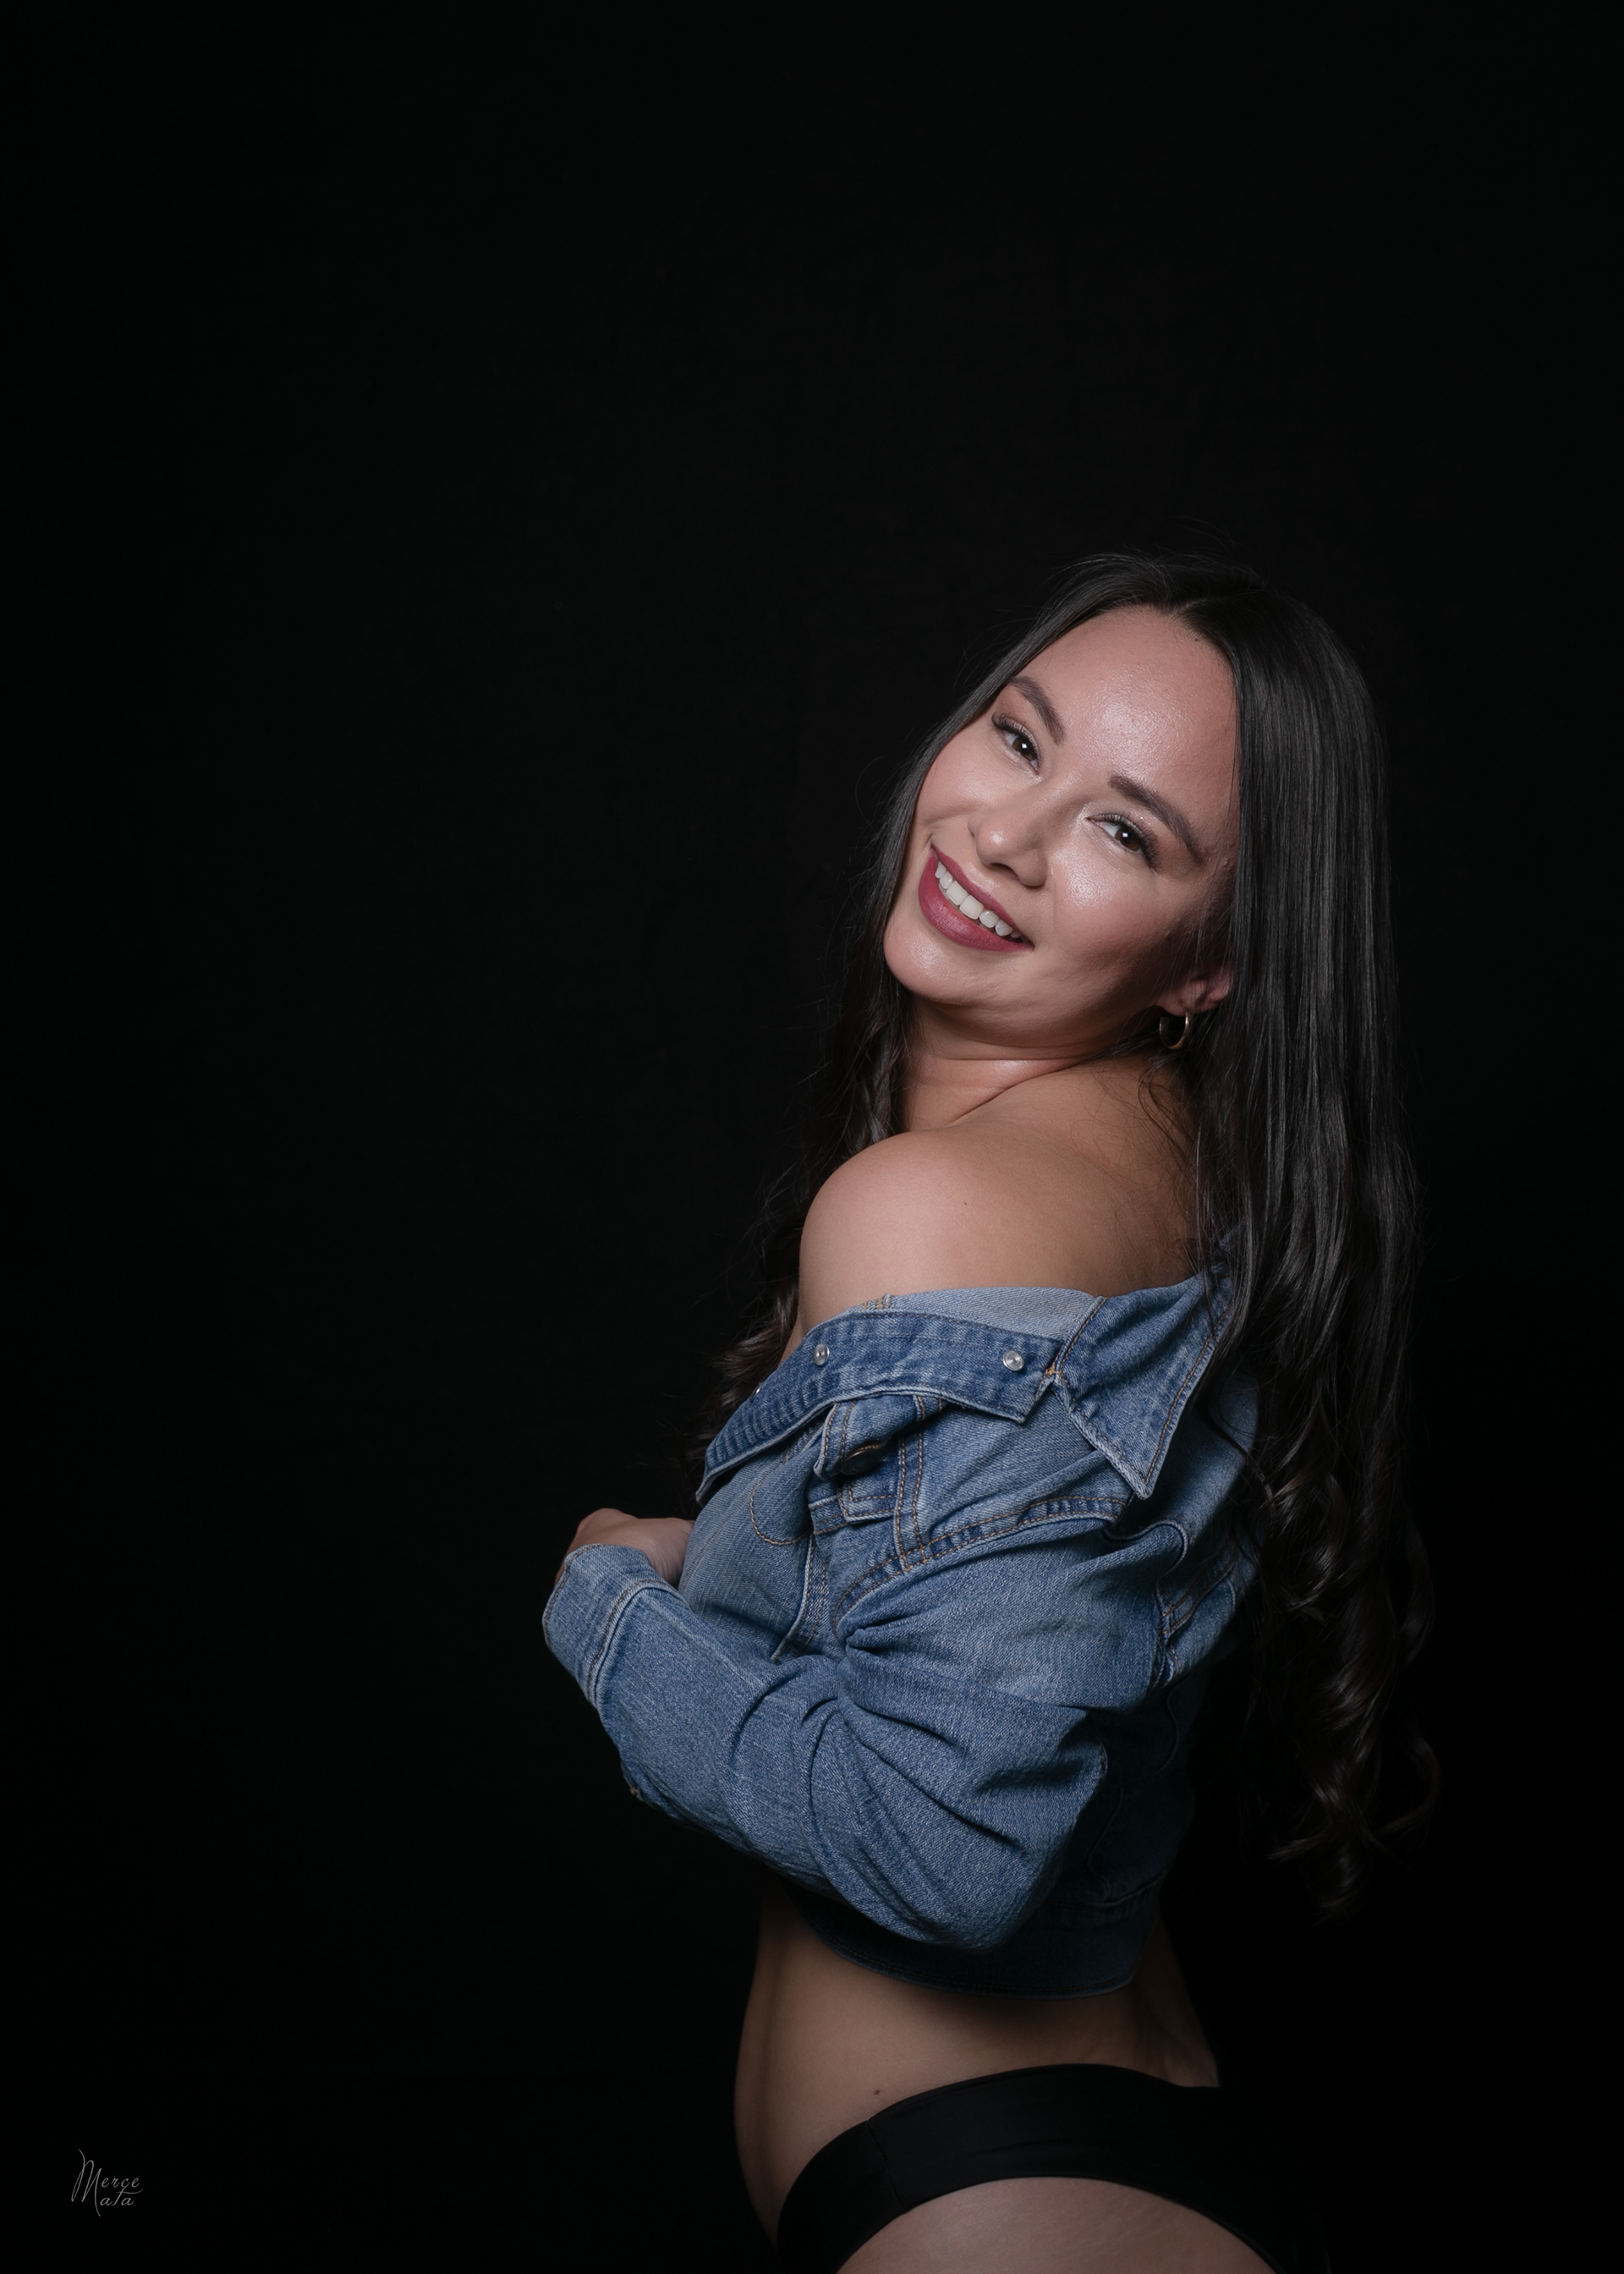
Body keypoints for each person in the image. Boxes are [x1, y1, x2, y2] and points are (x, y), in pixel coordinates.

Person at [546, 554, 1435, 2271]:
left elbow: (942, 1849)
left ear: (1211, 966)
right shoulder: (1184, 1169)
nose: (1007, 836)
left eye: (1125, 832)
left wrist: (610, 1603)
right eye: (1020, 739)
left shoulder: (937, 1212)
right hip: (1098, 2145)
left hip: (1003, 2210)